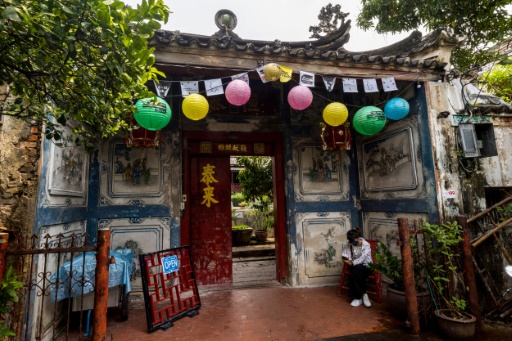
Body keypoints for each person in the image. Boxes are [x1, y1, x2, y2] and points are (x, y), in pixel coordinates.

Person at [341, 227, 373, 307]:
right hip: (354, 266)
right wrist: (345, 258)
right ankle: (364, 295)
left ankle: (358, 297)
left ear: (358, 238)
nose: (352, 243)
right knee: (356, 270)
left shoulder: (366, 245)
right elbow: (345, 253)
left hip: (367, 266)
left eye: (353, 240)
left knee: (355, 272)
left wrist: (351, 263)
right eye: (350, 241)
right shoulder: (350, 244)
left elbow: (363, 259)